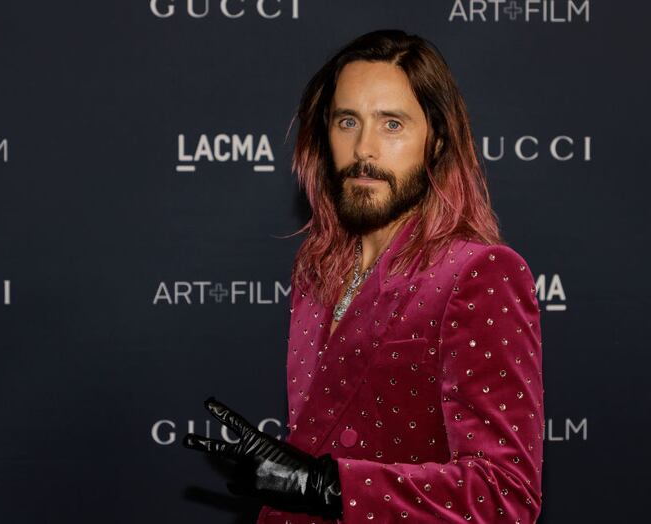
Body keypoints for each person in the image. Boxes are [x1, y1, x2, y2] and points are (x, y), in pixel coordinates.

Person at [183, 29, 544, 524]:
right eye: (347, 121)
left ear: (436, 141)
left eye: (392, 124)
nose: (364, 149)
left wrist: (328, 486)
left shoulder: (479, 273)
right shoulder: (315, 276)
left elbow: (504, 495)